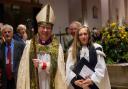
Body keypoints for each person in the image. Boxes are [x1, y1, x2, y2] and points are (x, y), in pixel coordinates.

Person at [16, 4, 67, 89]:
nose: (45, 30)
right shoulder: (30, 45)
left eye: (48, 28)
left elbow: (60, 71)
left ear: (51, 29)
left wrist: (44, 65)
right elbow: (23, 70)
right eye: (43, 27)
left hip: (50, 83)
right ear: (38, 28)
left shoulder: (57, 46)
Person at [0, 24, 25, 89]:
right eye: (5, 32)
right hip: (5, 80)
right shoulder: (1, 47)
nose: (7, 34)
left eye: (9, 32)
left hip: (17, 78)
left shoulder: (21, 45)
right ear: (3, 35)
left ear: (12, 33)